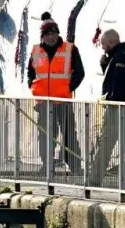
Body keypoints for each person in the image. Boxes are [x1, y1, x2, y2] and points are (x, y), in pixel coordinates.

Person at [27, 16, 85, 172]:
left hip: (62, 100)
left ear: (58, 33)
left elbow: (79, 72)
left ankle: (75, 166)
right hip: (43, 102)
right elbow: (30, 72)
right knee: (45, 135)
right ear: (42, 36)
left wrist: (68, 88)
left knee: (68, 135)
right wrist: (32, 86)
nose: (51, 37)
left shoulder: (70, 49)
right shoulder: (36, 50)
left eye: (53, 33)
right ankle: (47, 165)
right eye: (47, 34)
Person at [96, 29, 125, 185]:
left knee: (109, 144)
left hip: (117, 107)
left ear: (111, 42)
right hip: (118, 106)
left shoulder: (121, 57)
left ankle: (94, 180)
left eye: (103, 44)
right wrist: (105, 65)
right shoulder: (118, 55)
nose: (102, 48)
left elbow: (118, 85)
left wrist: (112, 102)